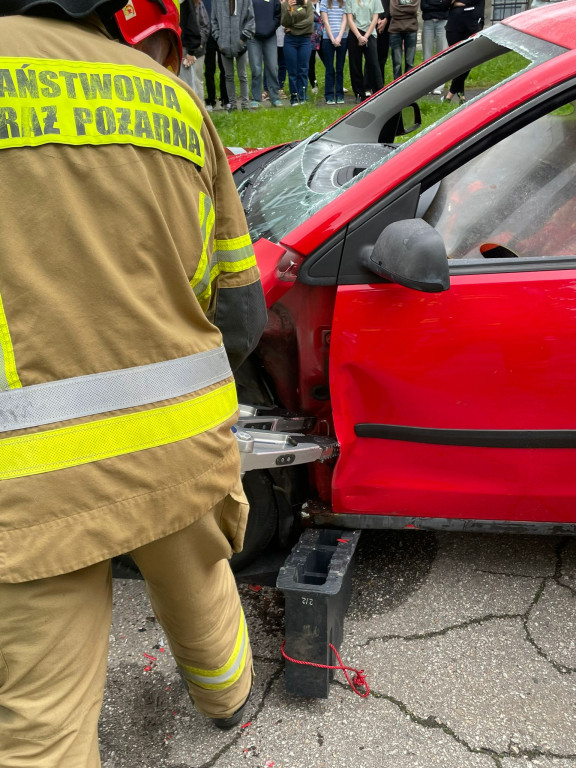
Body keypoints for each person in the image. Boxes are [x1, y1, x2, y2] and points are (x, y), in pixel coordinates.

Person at [0, 1, 267, 766]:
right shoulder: (170, 97)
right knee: (203, 597)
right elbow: (241, 312)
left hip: (31, 480)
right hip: (180, 447)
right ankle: (226, 704)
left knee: (42, 712)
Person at [211, 0, 256, 110]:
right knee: (228, 76)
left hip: (241, 44)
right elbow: (213, 21)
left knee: (243, 75)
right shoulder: (217, 2)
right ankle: (233, 104)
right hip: (224, 45)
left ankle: (245, 105)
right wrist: (219, 39)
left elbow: (251, 19)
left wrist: (243, 38)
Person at [443, 0, 484, 103]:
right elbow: (444, 3)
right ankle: (461, 96)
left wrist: (456, 3)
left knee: (468, 60)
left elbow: (478, 5)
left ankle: (450, 94)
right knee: (458, 61)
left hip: (472, 27)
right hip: (454, 27)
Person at [345, 0, 383, 102]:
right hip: (355, 33)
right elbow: (349, 19)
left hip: (369, 33)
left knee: (373, 63)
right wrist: (359, 36)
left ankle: (378, 91)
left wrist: (366, 36)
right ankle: (359, 93)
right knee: (355, 64)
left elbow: (375, 18)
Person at [248, 0, 283, 107]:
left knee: (272, 67)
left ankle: (275, 97)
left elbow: (278, 15)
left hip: (270, 36)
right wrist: (251, 29)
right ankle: (256, 98)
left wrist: (271, 28)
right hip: (253, 37)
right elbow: (245, 15)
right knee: (256, 68)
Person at [281, 0, 314, 105]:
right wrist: (288, 11)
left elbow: (309, 21)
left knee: (303, 69)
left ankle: (303, 96)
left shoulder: (306, 3)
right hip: (290, 41)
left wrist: (293, 28)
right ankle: (294, 97)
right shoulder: (286, 4)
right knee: (292, 71)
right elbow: (284, 23)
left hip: (305, 40)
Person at [180, 0, 211, 101]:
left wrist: (198, 46)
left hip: (195, 49)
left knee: (196, 81)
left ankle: (200, 109)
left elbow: (205, 27)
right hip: (183, 47)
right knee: (185, 81)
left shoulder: (198, 5)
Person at [319, 0, 348, 104]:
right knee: (329, 69)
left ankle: (340, 95)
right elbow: (325, 22)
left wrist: (339, 37)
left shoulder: (344, 2)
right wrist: (332, 38)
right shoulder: (324, 2)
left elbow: (344, 21)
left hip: (342, 38)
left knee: (340, 68)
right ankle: (329, 95)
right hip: (328, 39)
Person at [203, 0, 230, 110]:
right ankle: (211, 100)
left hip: (222, 36)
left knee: (224, 69)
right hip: (208, 37)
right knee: (209, 71)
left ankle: (225, 99)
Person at [385, 0, 420, 81]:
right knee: (397, 63)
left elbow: (414, 9)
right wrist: (410, 12)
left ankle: (408, 85)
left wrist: (401, 9)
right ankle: (397, 85)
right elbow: (393, 12)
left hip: (411, 29)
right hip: (395, 30)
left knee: (410, 62)